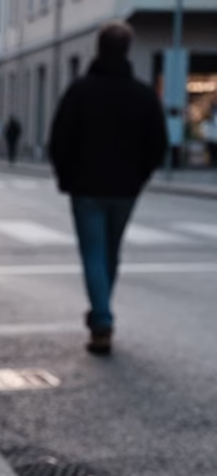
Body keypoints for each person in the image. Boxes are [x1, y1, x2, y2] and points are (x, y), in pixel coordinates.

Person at [49, 22, 167, 355]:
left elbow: (60, 138)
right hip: (125, 189)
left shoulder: (80, 91)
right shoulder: (143, 95)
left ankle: (101, 318)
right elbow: (158, 143)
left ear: (98, 49)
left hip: (86, 188)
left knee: (93, 253)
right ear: (127, 50)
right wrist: (139, 177)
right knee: (111, 252)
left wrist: (65, 177)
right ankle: (102, 311)